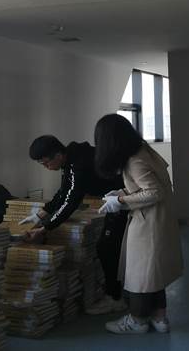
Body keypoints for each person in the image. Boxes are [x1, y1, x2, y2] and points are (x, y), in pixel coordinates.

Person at [95, 114, 183, 335]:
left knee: (139, 276)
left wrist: (121, 200)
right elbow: (149, 185)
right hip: (159, 219)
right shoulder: (143, 151)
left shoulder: (134, 160)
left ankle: (138, 320)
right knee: (154, 272)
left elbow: (154, 192)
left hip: (148, 223)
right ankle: (159, 318)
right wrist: (122, 192)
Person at [24, 135, 129, 315]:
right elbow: (64, 191)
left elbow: (71, 201)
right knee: (107, 247)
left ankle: (115, 298)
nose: (46, 167)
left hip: (124, 200)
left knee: (107, 248)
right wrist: (40, 214)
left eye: (46, 163)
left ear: (58, 155)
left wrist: (45, 228)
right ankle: (115, 290)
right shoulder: (72, 158)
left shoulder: (78, 165)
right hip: (117, 199)